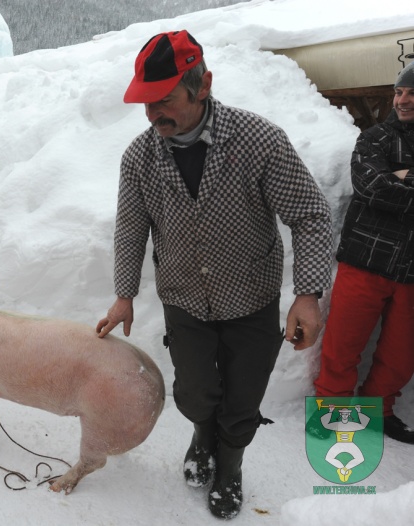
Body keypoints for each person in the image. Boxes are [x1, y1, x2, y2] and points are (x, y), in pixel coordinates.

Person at [95, 31, 332, 519]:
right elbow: (130, 229)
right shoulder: (140, 158)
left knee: (243, 397)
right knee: (195, 390)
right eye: (145, 103)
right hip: (185, 300)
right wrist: (123, 294)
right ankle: (203, 433)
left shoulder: (258, 140)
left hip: (252, 299)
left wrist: (307, 294)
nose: (152, 114)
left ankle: (230, 463)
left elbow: (309, 214)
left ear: (202, 87)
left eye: (163, 101)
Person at [313, 63, 414, 445]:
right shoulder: (376, 138)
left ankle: (379, 413)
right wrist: (391, 180)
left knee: (401, 357)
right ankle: (332, 418)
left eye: (411, 94)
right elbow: (373, 186)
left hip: (411, 272)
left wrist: (403, 176)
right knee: (343, 347)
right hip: (366, 261)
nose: (402, 100)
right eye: (399, 92)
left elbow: (392, 188)